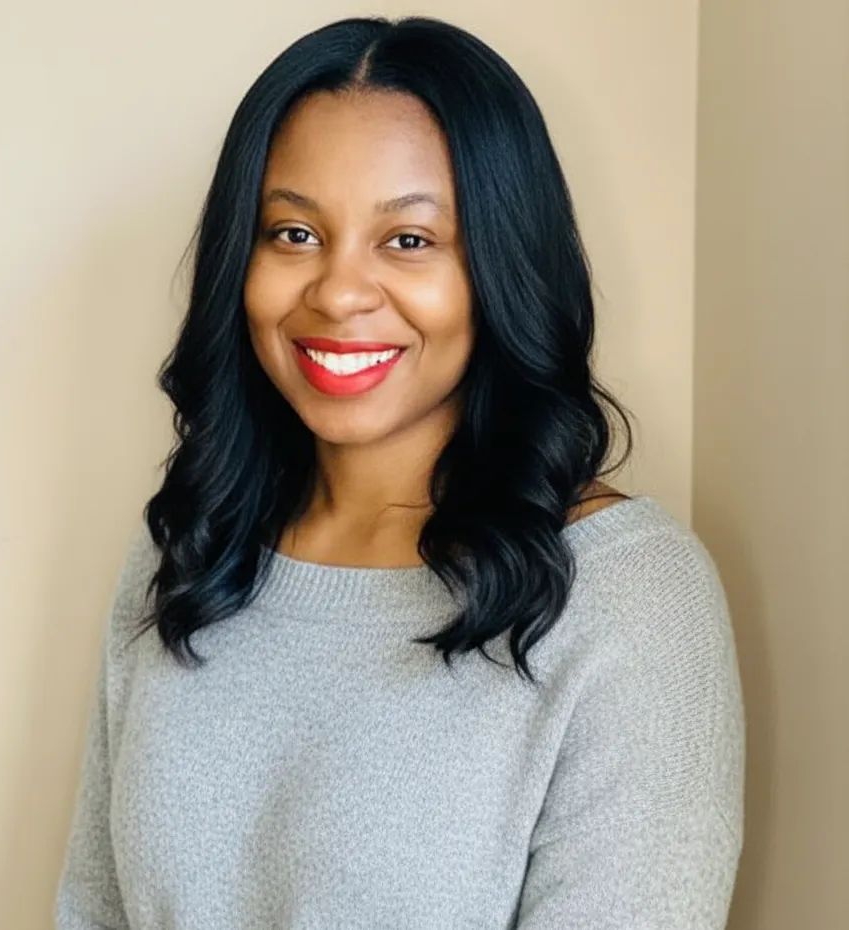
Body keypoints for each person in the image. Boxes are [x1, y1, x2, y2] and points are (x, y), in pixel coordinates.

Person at [54, 15, 744, 930]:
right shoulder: (186, 550)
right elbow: (95, 908)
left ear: (500, 264)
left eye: (409, 240)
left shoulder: (627, 595)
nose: (338, 293)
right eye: (293, 233)